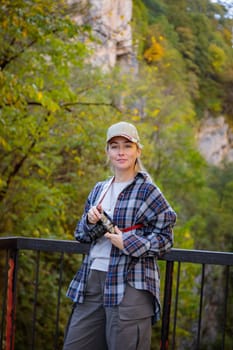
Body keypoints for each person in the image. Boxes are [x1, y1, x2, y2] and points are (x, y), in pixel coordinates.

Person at [63, 121, 177, 350]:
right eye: (114, 146)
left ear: (138, 151)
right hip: (92, 280)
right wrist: (89, 220)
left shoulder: (148, 190)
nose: (121, 152)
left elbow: (165, 238)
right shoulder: (99, 189)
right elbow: (80, 234)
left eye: (127, 145)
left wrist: (129, 243)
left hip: (130, 284)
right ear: (107, 152)